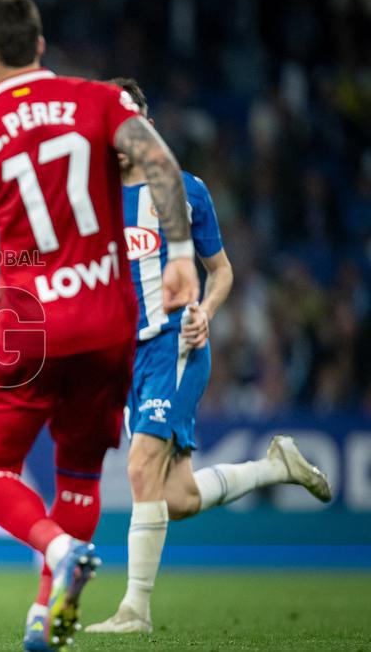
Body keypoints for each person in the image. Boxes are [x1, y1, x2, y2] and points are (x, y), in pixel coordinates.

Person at [0, 0, 199, 650]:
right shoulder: (100, 102)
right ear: (42, 46)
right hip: (110, 323)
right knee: (79, 474)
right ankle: (45, 614)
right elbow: (162, 163)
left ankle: (55, 553)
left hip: (32, 324)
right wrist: (184, 255)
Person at [86, 78, 331, 635]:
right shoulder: (91, 200)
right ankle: (276, 466)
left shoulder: (182, 190)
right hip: (124, 361)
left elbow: (220, 272)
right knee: (177, 497)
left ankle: (134, 612)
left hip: (173, 343)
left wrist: (205, 311)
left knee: (139, 467)